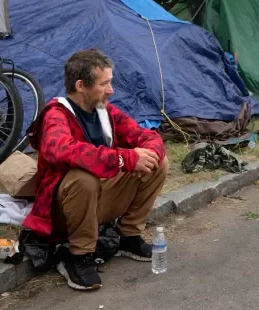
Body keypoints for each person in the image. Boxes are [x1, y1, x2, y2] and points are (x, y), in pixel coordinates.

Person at [24, 49, 168, 290]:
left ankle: (127, 237)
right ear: (81, 85)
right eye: (105, 84)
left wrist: (150, 151)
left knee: (156, 164)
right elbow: (63, 149)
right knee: (84, 178)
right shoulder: (56, 114)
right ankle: (79, 256)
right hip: (62, 211)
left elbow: (143, 135)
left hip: (98, 200)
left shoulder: (104, 111)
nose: (111, 90)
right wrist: (124, 159)